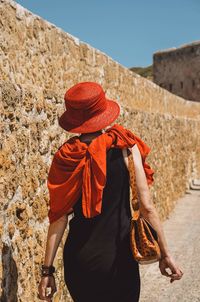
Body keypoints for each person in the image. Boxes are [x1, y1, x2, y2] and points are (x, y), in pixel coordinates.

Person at [37, 82, 183, 302]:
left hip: (79, 262)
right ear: (102, 112)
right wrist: (165, 254)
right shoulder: (126, 147)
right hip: (119, 260)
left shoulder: (66, 157)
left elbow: (58, 218)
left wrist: (47, 272)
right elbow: (147, 207)